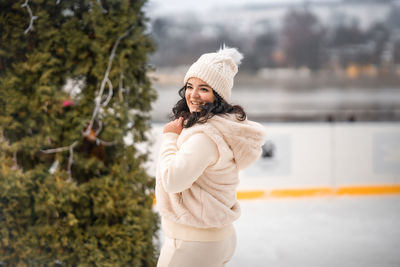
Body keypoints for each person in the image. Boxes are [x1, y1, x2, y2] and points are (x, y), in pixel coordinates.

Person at [155, 45, 266, 267]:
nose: (193, 95)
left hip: (191, 244)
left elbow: (173, 181)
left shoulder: (204, 137)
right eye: (189, 86)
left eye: (203, 89)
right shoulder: (221, 126)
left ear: (218, 95)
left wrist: (169, 138)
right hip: (215, 239)